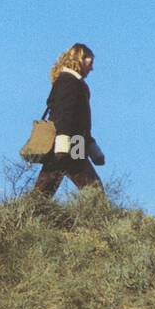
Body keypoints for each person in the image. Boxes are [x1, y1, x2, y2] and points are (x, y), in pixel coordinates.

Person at [34, 43, 104, 197]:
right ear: (79, 59)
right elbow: (64, 114)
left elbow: (79, 121)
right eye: (90, 62)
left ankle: (22, 216)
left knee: (43, 191)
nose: (91, 68)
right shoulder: (69, 81)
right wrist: (64, 144)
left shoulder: (70, 81)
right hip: (70, 143)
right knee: (94, 192)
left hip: (69, 143)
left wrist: (91, 146)